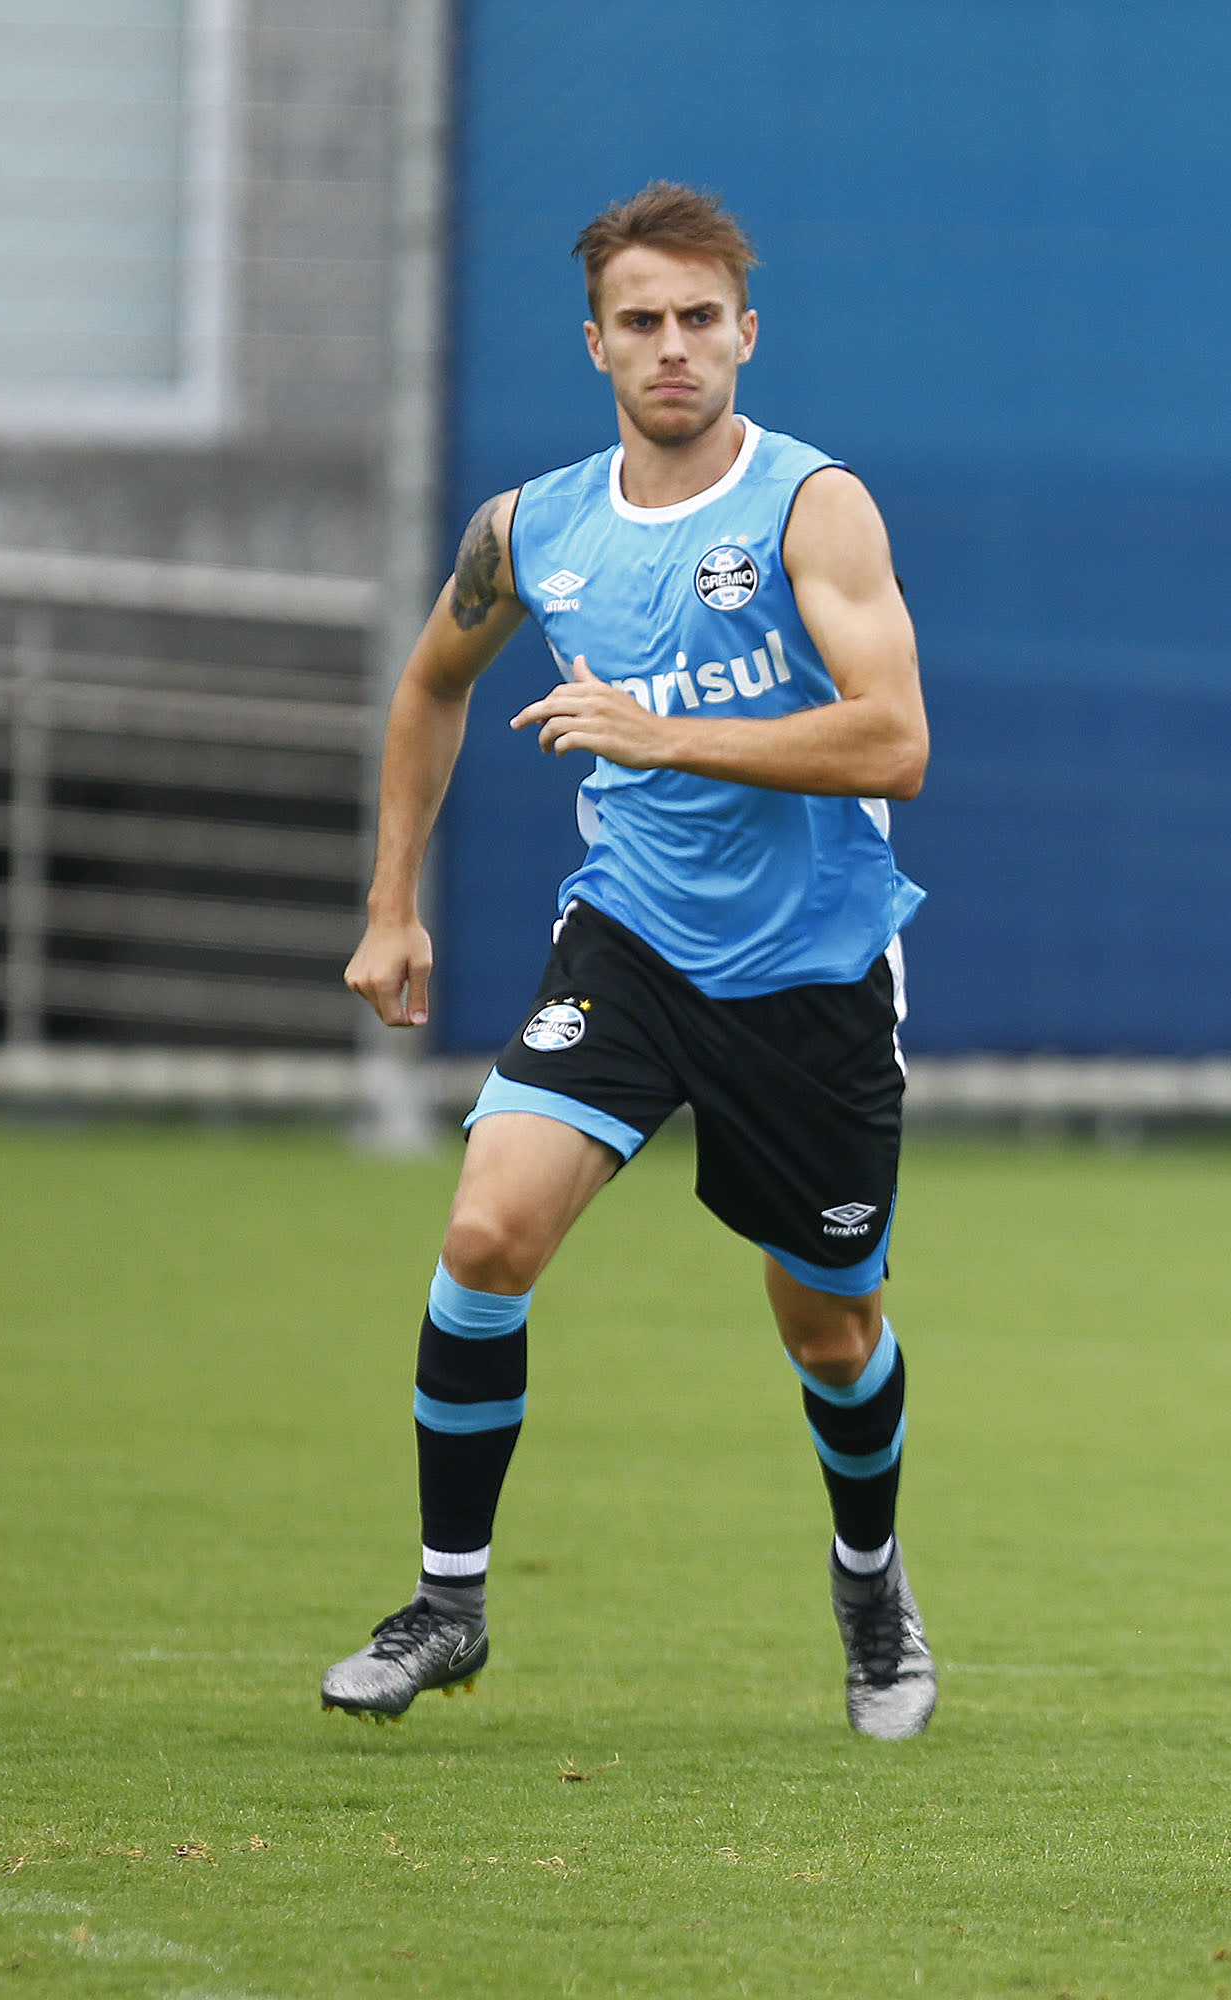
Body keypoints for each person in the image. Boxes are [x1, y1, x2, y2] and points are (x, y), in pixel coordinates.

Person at [325, 182, 940, 1740]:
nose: (674, 348)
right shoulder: (530, 530)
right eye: (642, 322)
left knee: (830, 1329)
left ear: (747, 333)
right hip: (631, 942)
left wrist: (665, 733)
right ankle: (448, 1602)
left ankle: (869, 1578)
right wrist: (394, 901)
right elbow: (425, 690)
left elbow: (897, 738)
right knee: (485, 1237)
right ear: (594, 343)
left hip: (812, 975)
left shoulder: (815, 508)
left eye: (700, 320)